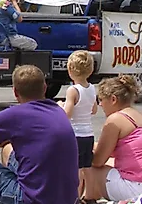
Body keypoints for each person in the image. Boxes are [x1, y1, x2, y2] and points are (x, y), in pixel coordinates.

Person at [0, 65, 79, 204]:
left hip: (28, 200)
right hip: (67, 199)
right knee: (8, 149)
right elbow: (13, 138)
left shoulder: (15, 115)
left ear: (15, 92)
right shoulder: (57, 111)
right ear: (45, 87)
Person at [83, 75, 142, 202]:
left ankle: (87, 198)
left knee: (87, 165)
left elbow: (97, 161)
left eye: (101, 100)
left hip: (140, 188)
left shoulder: (116, 119)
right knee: (110, 164)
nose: (100, 105)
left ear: (113, 99)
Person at [58, 50, 97, 198]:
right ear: (91, 70)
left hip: (75, 134)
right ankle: (90, 196)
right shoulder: (92, 88)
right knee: (88, 167)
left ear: (70, 70)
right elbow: (93, 110)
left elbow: (67, 114)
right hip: (89, 133)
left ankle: (75, 196)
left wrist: (60, 106)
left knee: (75, 168)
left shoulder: (72, 90)